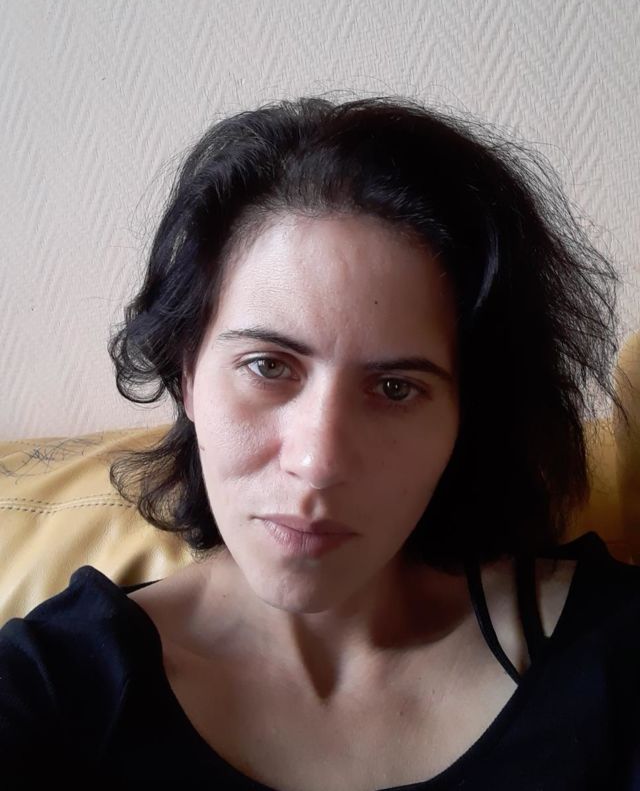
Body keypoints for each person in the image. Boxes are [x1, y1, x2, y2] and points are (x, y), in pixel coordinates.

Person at [0, 95, 638, 789]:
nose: (318, 462)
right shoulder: (52, 685)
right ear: (187, 376)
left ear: (467, 414)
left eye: (395, 388)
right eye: (268, 367)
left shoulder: (614, 654)